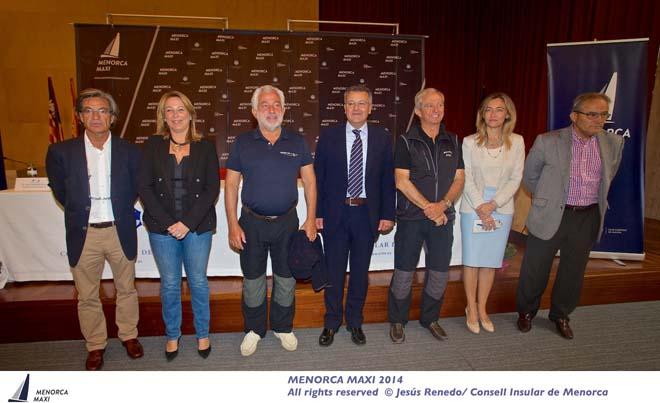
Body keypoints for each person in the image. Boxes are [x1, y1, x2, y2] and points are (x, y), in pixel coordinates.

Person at [46, 88, 143, 370]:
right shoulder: (61, 152)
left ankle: (129, 336)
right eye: (88, 111)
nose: (95, 116)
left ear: (112, 117)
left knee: (127, 289)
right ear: (79, 117)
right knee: (87, 294)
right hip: (84, 233)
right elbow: (61, 191)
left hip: (119, 230)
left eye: (102, 111)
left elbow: (136, 188)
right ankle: (96, 345)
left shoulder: (130, 151)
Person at [516, 92, 624, 339]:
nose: (598, 120)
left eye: (603, 115)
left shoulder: (613, 143)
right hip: (552, 213)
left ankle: (561, 315)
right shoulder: (548, 141)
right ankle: (526, 312)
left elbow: (609, 177)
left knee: (573, 272)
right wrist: (548, 200)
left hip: (586, 217)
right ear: (574, 116)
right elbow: (530, 177)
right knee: (535, 269)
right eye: (591, 114)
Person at [225, 85, 317, 356]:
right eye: (265, 105)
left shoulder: (297, 142)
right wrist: (232, 224)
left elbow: (310, 182)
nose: (271, 109)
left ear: (284, 109)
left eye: (276, 104)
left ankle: (282, 326)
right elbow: (231, 186)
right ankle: (254, 329)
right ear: (254, 112)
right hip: (251, 224)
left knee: (285, 278)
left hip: (287, 223)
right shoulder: (242, 143)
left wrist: (311, 219)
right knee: (253, 279)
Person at [138, 91, 220, 360]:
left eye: (180, 109)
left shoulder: (206, 146)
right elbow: (145, 189)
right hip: (163, 229)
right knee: (170, 284)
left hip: (197, 227)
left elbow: (211, 189)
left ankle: (202, 334)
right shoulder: (152, 145)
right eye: (169, 110)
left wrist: (187, 223)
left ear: (190, 113)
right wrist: (170, 223)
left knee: (198, 281)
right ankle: (172, 335)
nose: (175, 115)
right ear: (163, 116)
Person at [315, 85, 395, 347]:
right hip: (336, 215)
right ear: (344, 107)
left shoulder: (383, 137)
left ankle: (355, 322)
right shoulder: (328, 136)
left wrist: (387, 214)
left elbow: (386, 179)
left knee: (360, 274)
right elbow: (319, 178)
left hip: (366, 215)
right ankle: (331, 323)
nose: (357, 108)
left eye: (362, 103)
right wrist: (316, 214)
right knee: (334, 273)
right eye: (351, 103)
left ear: (370, 108)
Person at [387, 88, 464, 343]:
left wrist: (442, 205)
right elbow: (401, 181)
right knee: (404, 272)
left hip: (443, 217)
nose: (436, 110)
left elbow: (459, 179)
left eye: (440, 105)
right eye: (429, 106)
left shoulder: (453, 140)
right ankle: (398, 321)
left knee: (439, 272)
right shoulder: (406, 141)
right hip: (411, 218)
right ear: (418, 111)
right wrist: (428, 208)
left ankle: (430, 319)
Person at [460, 93, 524, 334]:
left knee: (490, 262)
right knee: (473, 261)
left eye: (499, 109)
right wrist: (481, 206)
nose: (493, 114)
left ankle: (482, 307)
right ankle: (471, 308)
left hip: (502, 209)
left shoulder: (517, 142)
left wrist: (493, 205)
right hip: (472, 208)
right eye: (488, 109)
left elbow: (516, 178)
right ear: (482, 114)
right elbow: (465, 178)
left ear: (507, 113)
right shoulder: (469, 142)